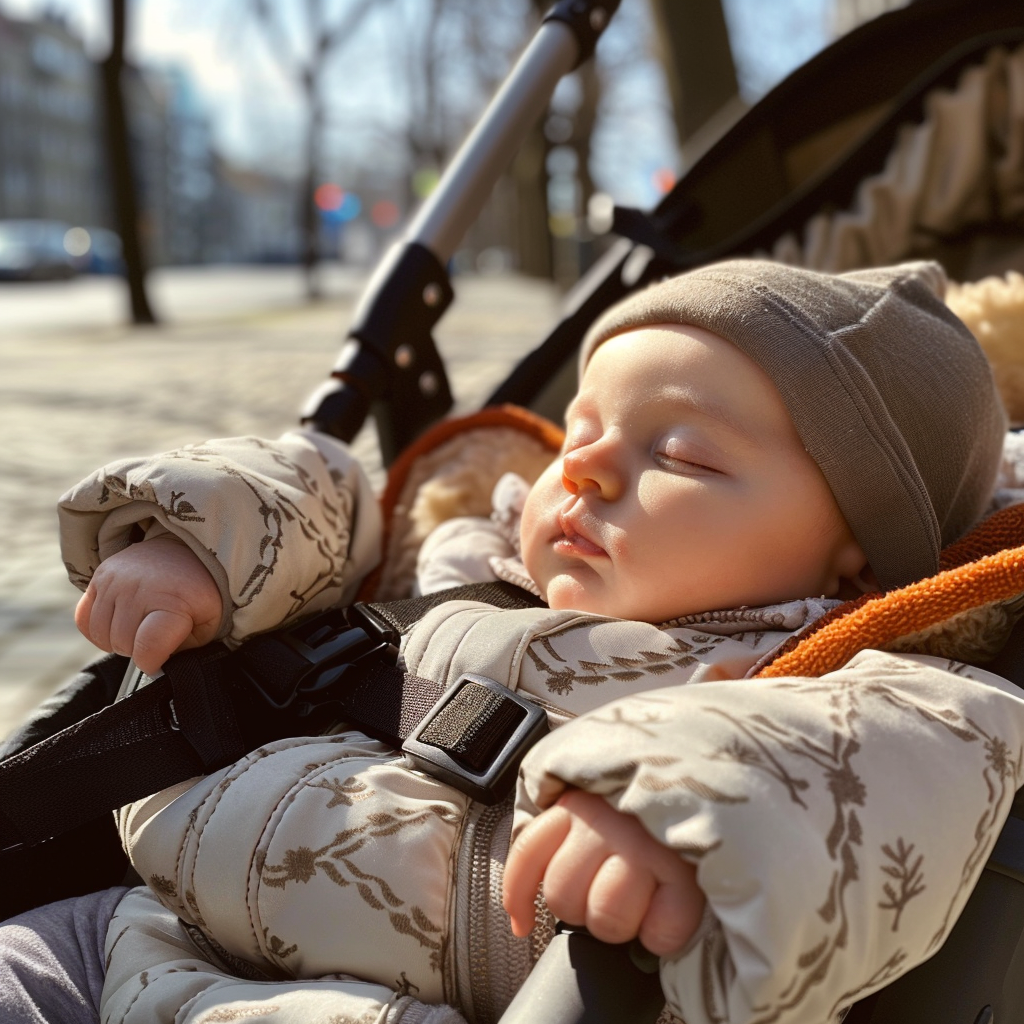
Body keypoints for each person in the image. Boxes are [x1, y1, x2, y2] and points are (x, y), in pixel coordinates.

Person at [4, 259, 1023, 1024]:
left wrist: (684, 808)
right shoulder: (459, 560)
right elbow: (320, 493)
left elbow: (912, 758)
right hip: (133, 927)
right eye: (580, 430)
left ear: (851, 554)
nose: (583, 472)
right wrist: (192, 547)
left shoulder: (814, 680)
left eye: (679, 455)